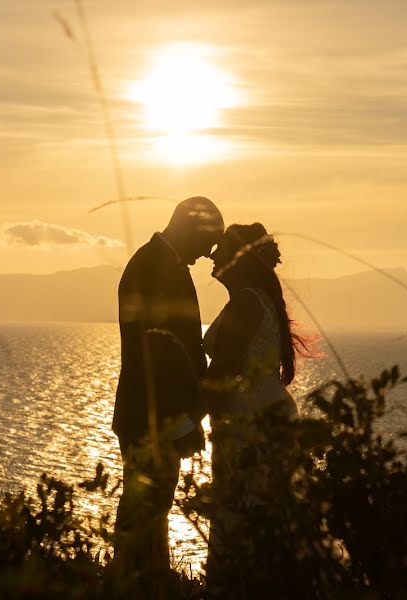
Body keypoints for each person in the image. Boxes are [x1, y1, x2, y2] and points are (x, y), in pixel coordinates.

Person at [111, 196, 224, 596]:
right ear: (191, 228)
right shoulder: (154, 266)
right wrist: (180, 421)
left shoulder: (161, 263)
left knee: (151, 509)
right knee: (145, 508)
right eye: (208, 241)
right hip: (152, 417)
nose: (208, 253)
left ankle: (143, 580)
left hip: (152, 415)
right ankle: (132, 583)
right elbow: (156, 356)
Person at [201, 223, 310, 589]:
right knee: (264, 511)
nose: (212, 255)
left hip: (248, 419)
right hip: (265, 412)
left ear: (237, 259)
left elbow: (222, 375)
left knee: (239, 511)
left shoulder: (246, 302)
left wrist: (176, 423)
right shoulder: (260, 300)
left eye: (220, 249)